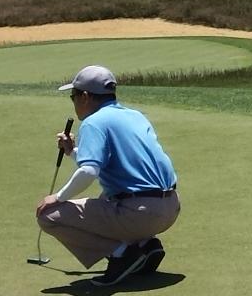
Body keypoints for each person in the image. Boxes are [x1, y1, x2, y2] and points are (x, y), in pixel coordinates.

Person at [35, 65, 179, 286]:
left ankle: (123, 254)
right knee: (107, 196)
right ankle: (145, 245)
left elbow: (89, 171)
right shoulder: (135, 116)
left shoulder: (94, 122)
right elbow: (108, 165)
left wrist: (58, 197)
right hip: (170, 208)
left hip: (139, 214)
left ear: (84, 97)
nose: (73, 102)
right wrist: (72, 151)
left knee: (48, 215)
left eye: (73, 96)